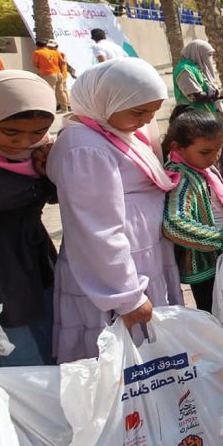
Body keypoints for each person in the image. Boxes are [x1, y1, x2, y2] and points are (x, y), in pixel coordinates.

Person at [46, 58, 183, 362]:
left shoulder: (112, 131)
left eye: (152, 111)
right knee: (121, 363)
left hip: (139, 261)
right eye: (139, 111)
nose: (148, 121)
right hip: (115, 275)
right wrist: (128, 297)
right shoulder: (84, 146)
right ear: (105, 100)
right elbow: (96, 230)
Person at [0, 71, 58, 366]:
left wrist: (53, 170)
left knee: (52, 346)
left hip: (37, 263)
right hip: (1, 277)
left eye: (38, 131)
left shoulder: (41, 153)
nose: (24, 141)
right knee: (20, 362)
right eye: (11, 133)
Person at [162, 106, 223, 312]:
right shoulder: (182, 176)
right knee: (217, 317)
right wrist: (222, 239)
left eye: (219, 149)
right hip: (206, 267)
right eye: (206, 152)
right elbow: (174, 223)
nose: (214, 157)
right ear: (178, 147)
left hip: (220, 258)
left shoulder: (198, 167)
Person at [173, 40, 223, 178]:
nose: (209, 59)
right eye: (207, 55)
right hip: (197, 123)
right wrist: (220, 92)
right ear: (197, 53)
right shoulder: (184, 69)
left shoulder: (197, 67)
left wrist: (222, 93)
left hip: (210, 120)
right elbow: (195, 96)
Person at [31, 40, 71, 112]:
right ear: (46, 45)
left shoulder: (37, 52)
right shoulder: (55, 52)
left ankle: (51, 110)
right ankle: (65, 109)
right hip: (58, 73)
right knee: (60, 92)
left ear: (37, 46)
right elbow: (62, 62)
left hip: (48, 74)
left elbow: (35, 64)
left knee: (51, 92)